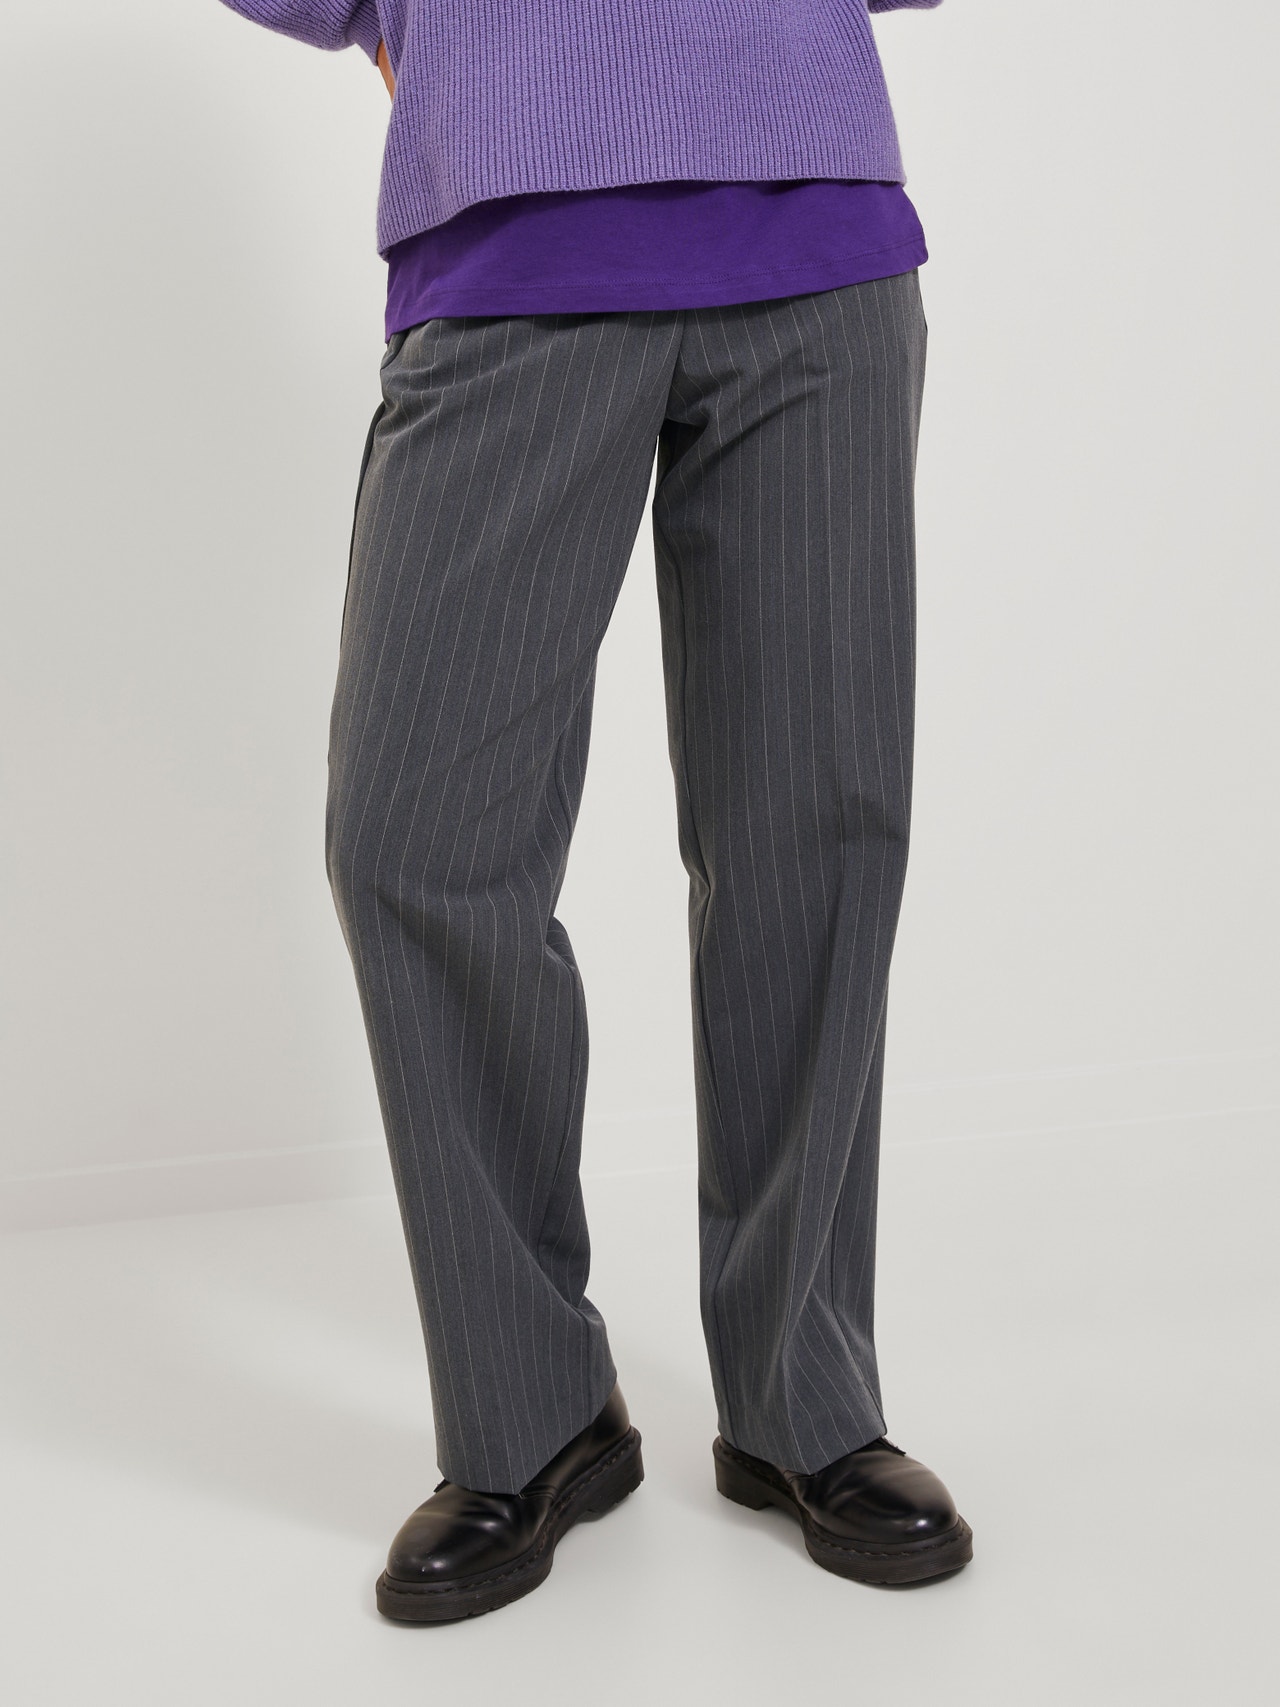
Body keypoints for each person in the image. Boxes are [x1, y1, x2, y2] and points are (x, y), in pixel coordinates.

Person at [217, 0, 972, 1622]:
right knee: (414, 841)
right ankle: (532, 1413)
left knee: (814, 834)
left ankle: (804, 1401)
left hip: (819, 244)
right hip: (508, 249)